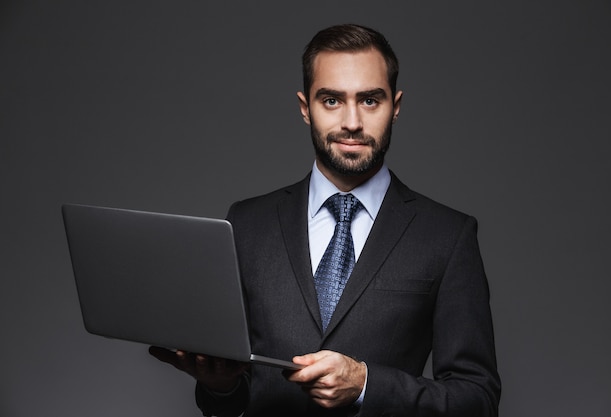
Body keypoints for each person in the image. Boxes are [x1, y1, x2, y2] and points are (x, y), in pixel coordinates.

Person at [150, 23, 501, 416]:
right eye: (332, 100)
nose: (352, 122)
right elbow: (235, 394)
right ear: (305, 109)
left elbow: (478, 400)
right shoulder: (246, 223)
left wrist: (368, 385)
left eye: (370, 100)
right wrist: (219, 386)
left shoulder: (448, 236)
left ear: (396, 107)